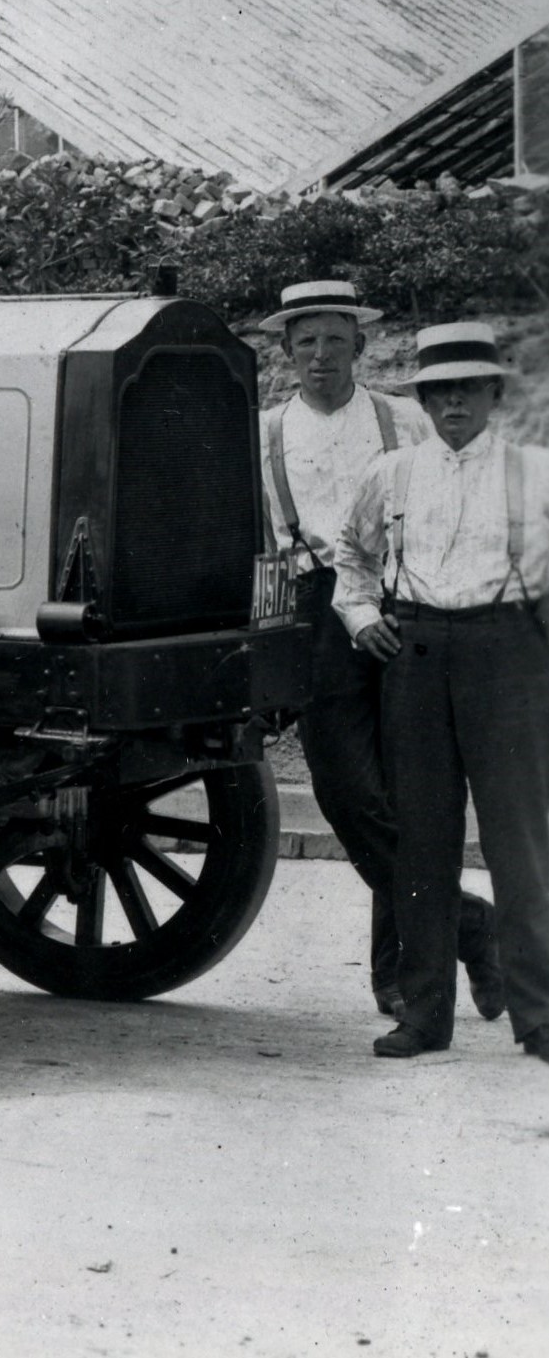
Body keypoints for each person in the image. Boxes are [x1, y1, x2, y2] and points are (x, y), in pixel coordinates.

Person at [257, 279, 498, 1024]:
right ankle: (471, 926)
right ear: (287, 351)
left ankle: (397, 980)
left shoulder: (402, 420)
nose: (320, 355)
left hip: (399, 607)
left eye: (334, 339)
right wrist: (265, 645)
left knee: (404, 795)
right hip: (311, 614)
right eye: (305, 342)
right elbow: (259, 549)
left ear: (359, 345)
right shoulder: (264, 432)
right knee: (346, 793)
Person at [334, 321, 549, 1062]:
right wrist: (361, 616)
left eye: (466, 386)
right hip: (415, 656)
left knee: (519, 839)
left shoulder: (535, 472)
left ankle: (539, 1014)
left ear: (494, 392)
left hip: (508, 656)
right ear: (422, 397)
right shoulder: (390, 474)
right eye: (438, 389)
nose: (452, 400)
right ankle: (423, 1015)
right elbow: (350, 557)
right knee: (420, 840)